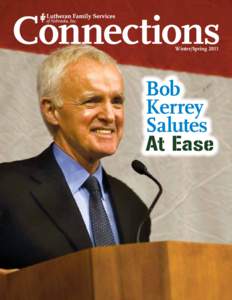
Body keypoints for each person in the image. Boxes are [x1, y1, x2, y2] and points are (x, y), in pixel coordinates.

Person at [0, 45, 150, 274]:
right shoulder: (6, 188)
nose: (110, 115)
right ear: (51, 111)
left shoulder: (133, 206)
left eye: (117, 101)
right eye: (92, 101)